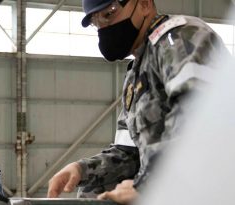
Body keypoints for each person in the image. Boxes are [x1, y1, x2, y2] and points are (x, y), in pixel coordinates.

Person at [47, 0, 231, 204]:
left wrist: (146, 187)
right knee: (93, 191)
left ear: (144, 4)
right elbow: (128, 153)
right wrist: (82, 169)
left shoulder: (180, 37)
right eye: (96, 22)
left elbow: (201, 122)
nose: (103, 28)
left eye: (109, 14)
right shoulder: (137, 72)